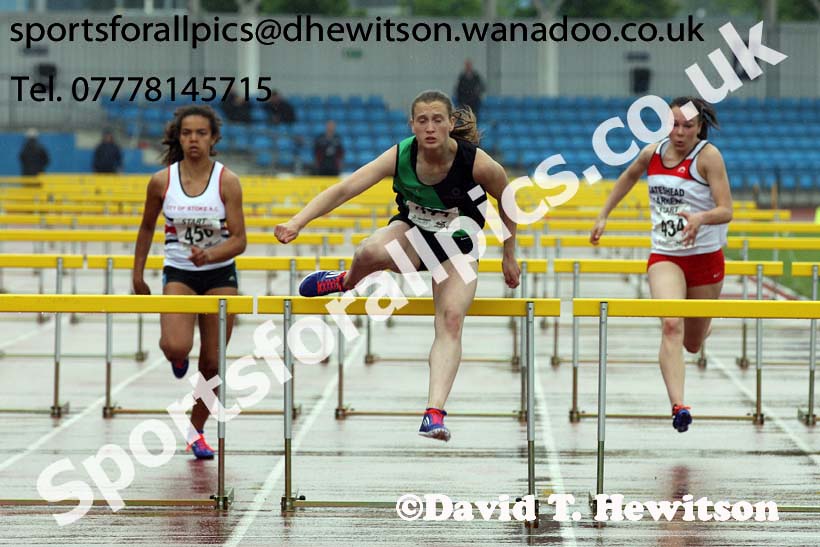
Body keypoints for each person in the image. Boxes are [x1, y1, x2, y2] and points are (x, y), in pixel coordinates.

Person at [275, 90, 520, 442]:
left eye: (438, 120)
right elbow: (345, 189)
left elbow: (507, 199)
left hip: (457, 251)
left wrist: (508, 253)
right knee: (367, 251)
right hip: (412, 238)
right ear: (412, 125)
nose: (430, 127)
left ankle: (434, 413)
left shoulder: (477, 163)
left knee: (451, 320)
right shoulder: (401, 155)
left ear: (451, 124)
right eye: (422, 120)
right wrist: (299, 221)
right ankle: (345, 281)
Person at [589, 96, 733, 434]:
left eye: (688, 126)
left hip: (705, 257)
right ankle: (679, 405)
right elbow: (626, 177)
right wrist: (603, 215)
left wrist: (701, 218)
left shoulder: (709, 157)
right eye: (674, 125)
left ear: (699, 128)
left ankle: (702, 325)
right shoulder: (651, 154)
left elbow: (727, 209)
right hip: (665, 256)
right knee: (671, 324)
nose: (680, 133)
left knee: (692, 343)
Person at [132, 105, 247, 459]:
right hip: (179, 273)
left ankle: (196, 430)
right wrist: (137, 273)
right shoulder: (161, 181)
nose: (193, 140)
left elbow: (240, 240)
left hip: (219, 273)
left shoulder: (227, 181)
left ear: (213, 138)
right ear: (178, 138)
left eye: (200, 133)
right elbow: (148, 226)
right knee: (176, 346)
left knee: (213, 362)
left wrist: (210, 255)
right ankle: (176, 355)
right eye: (187, 133)